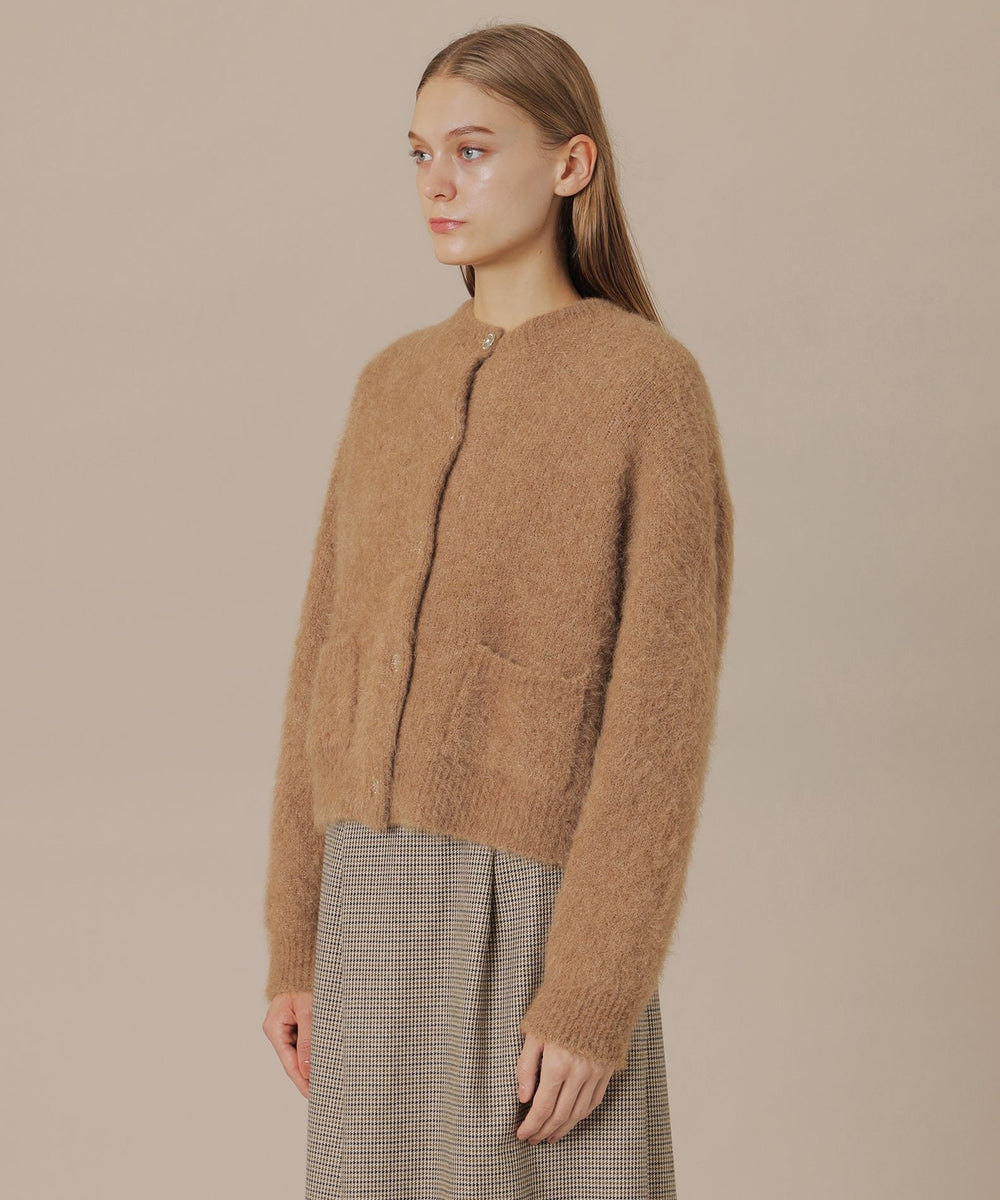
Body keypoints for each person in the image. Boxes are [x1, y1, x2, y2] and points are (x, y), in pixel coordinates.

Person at [261, 21, 734, 1200]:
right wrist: (295, 942)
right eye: (420, 154)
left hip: (532, 914)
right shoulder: (390, 386)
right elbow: (320, 669)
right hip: (365, 908)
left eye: (471, 151)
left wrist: (594, 990)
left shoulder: (646, 386)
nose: (437, 184)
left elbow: (659, 721)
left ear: (571, 164)